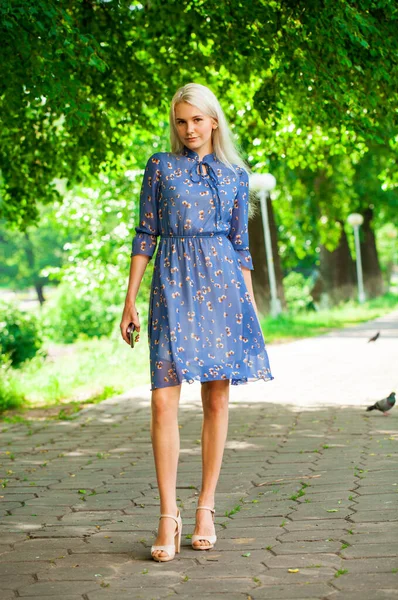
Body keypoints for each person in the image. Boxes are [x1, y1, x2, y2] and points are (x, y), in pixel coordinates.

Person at [120, 82, 274, 562]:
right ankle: (169, 514)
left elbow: (241, 246)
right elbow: (146, 233)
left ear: (214, 122)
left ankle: (206, 506)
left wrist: (249, 308)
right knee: (163, 402)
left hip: (224, 289)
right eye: (181, 121)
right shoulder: (160, 168)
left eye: (197, 120)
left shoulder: (235, 175)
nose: (189, 129)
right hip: (171, 287)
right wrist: (128, 301)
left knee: (217, 399)